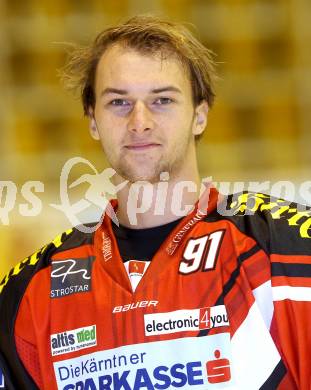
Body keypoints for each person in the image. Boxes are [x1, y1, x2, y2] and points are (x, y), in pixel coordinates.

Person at [0, 14, 310, 390]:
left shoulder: (287, 252)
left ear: (200, 114)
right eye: (118, 102)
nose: (139, 121)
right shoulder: (30, 294)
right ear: (92, 119)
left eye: (162, 100)